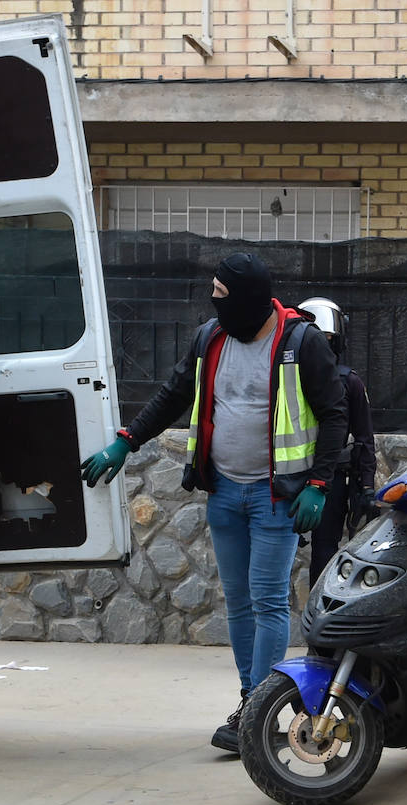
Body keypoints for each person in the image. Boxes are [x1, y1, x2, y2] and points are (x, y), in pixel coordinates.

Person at [79, 253, 347, 753]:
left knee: (268, 600)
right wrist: (126, 440)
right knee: (239, 603)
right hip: (223, 491)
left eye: (223, 297)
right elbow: (173, 394)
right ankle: (252, 700)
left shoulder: (300, 342)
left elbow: (336, 415)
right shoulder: (211, 338)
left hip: (276, 496)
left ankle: (262, 709)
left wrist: (318, 485)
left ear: (249, 298)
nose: (215, 306)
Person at [296, 297, 379, 586]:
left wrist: (367, 486)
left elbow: (364, 437)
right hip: (287, 474)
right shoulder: (286, 375)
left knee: (325, 552)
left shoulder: (349, 382)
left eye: (326, 338)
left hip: (329, 478)